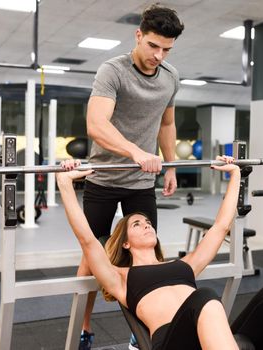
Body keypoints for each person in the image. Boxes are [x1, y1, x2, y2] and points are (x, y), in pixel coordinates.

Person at [57, 157, 263, 350]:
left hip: (213, 334)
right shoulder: (121, 277)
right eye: (137, 224)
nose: (147, 225)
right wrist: (65, 184)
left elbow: (220, 227)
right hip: (175, 342)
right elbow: (88, 240)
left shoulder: (185, 265)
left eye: (147, 222)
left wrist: (235, 175)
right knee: (205, 297)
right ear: (125, 243)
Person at [81, 4, 184, 348]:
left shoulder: (170, 77)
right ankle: (83, 325)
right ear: (138, 35)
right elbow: (96, 125)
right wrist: (136, 152)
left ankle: (140, 331)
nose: (159, 55)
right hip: (104, 178)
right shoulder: (113, 71)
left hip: (142, 182)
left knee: (147, 258)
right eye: (153, 45)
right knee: (92, 254)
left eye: (166, 49)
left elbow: (167, 124)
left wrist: (169, 164)